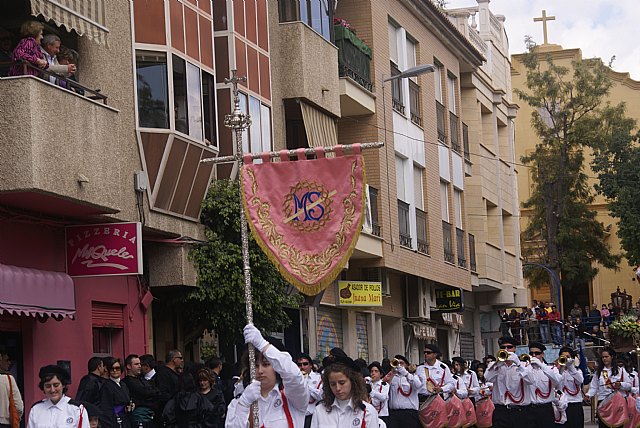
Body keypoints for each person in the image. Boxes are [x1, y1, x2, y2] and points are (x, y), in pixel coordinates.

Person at [225, 324, 308, 427]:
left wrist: (262, 345)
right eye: (255, 365)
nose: (260, 371)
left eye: (266, 364)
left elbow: (294, 375)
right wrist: (244, 404)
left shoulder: (292, 399)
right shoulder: (239, 402)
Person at [311, 353, 379, 428]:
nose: (338, 388)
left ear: (353, 381)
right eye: (333, 384)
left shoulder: (368, 412)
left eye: (342, 383)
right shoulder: (320, 411)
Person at [484, 336, 534, 427]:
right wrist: (497, 365)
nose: (506, 350)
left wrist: (518, 364)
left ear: (514, 348)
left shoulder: (525, 365)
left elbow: (531, 381)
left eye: (509, 347)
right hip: (501, 411)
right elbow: (487, 378)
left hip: (519, 411)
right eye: (503, 347)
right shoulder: (494, 365)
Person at [586, 347, 631, 428]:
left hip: (617, 403)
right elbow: (594, 387)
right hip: (603, 403)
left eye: (606, 357)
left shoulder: (620, 370)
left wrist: (620, 384)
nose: (604, 359)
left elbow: (629, 385)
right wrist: (588, 395)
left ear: (612, 357)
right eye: (603, 357)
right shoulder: (599, 372)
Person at [525, 341, 561, 425]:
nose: (534, 356)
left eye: (537, 353)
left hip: (545, 408)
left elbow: (557, 381)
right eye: (531, 353)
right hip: (530, 408)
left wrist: (541, 365)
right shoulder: (526, 369)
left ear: (542, 354)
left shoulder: (551, 368)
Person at [122, 354, 160, 427]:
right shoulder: (127, 382)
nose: (139, 366)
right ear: (128, 366)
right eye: (136, 364)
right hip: (138, 419)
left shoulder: (142, 379)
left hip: (150, 418)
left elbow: (157, 392)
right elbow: (145, 393)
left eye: (140, 364)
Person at [386, 353, 423, 428]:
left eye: (401, 363)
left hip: (409, 413)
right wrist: (391, 374)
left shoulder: (412, 376)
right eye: (397, 363)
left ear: (406, 365)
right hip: (394, 413)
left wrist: (405, 373)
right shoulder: (392, 377)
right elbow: (385, 389)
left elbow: (417, 385)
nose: (399, 365)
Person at [99, 357, 134, 428]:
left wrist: (131, 405)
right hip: (114, 421)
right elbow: (105, 408)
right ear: (108, 370)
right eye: (112, 369)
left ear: (121, 370)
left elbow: (127, 399)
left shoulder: (123, 384)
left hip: (126, 420)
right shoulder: (106, 386)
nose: (115, 370)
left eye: (117, 368)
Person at [297, 353, 322, 428]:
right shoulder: (295, 379)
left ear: (311, 365)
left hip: (312, 416)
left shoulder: (318, 378)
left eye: (305, 364)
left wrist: (306, 386)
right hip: (298, 415)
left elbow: (321, 396)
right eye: (299, 365)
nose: (302, 367)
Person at [0, 352, 23, 428]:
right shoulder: (8, 379)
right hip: (4, 422)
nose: (9, 363)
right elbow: (18, 406)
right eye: (7, 360)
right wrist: (17, 417)